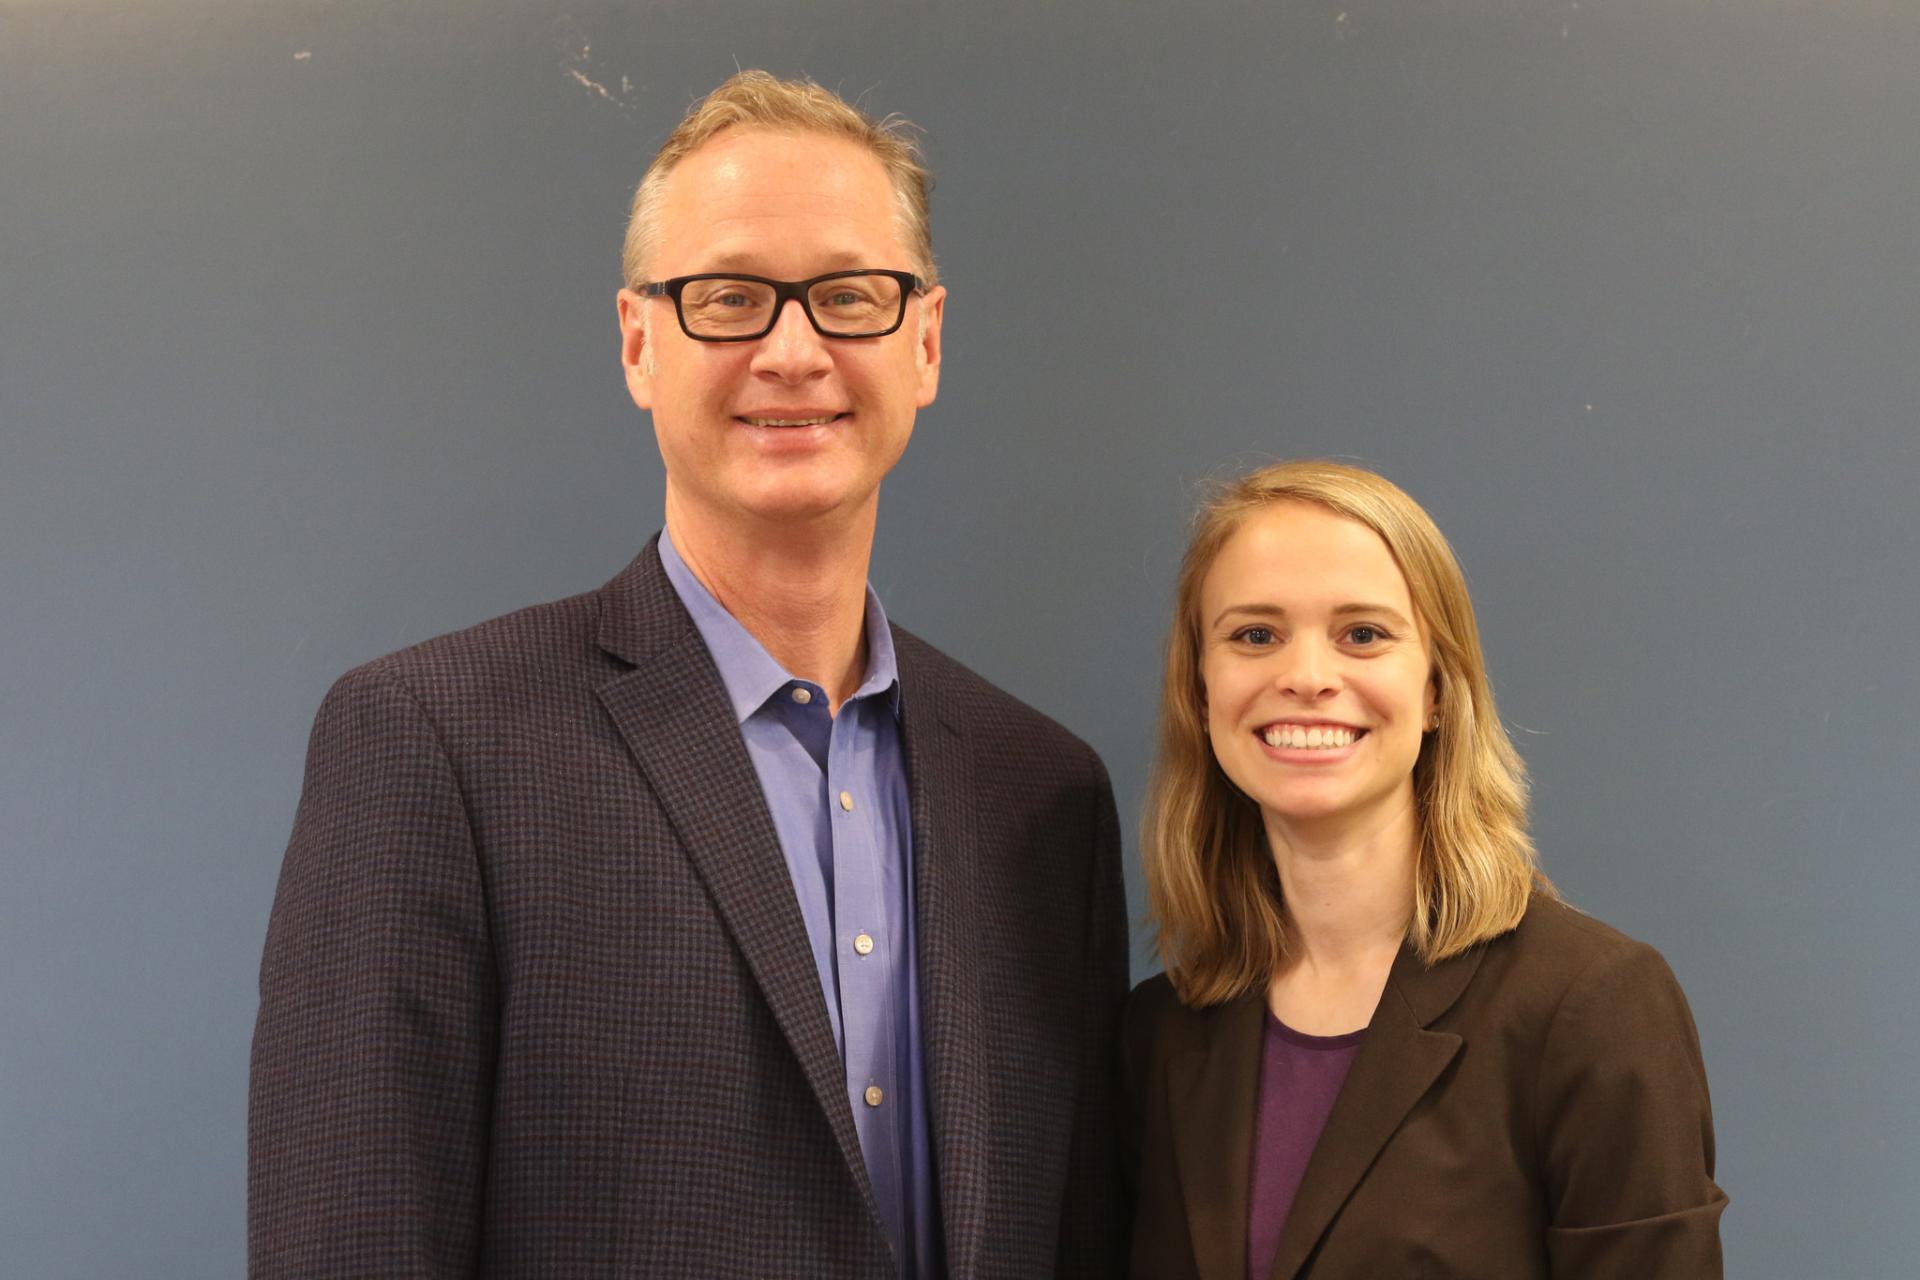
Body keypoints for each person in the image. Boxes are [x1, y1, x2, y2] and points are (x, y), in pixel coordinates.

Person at [249, 71, 1128, 1279]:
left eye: (849, 295)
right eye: (727, 297)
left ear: (924, 341)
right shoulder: (435, 742)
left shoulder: (1046, 793)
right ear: (639, 341)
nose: (792, 348)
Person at [1122, 460, 1725, 1279]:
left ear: (1438, 688)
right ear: (1199, 688)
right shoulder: (1156, 1036)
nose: (1305, 676)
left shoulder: (1593, 1007)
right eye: (1254, 635)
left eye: (1362, 634)